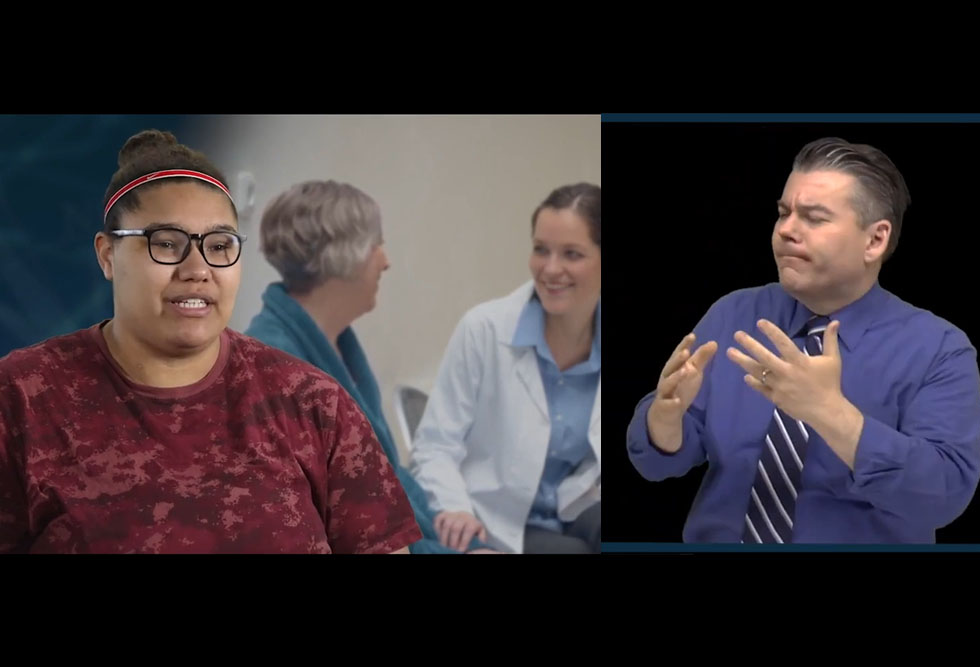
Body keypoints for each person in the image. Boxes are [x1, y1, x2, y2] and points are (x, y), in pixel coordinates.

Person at [0, 130, 422, 554]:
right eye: (166, 243)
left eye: (220, 246)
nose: (198, 268)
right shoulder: (21, 397)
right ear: (107, 255)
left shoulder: (314, 404)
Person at [626, 137, 980, 544]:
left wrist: (829, 413)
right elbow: (658, 465)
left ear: (875, 240)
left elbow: (945, 494)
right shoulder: (735, 315)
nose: (786, 230)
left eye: (813, 218)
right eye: (783, 213)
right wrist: (665, 419)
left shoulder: (939, 349)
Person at [245, 179, 495, 553]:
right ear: (345, 256)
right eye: (377, 244)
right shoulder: (275, 371)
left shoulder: (335, 340)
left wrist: (449, 525)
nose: (386, 260)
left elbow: (388, 476)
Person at [409, 183, 601, 554]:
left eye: (572, 254)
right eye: (540, 250)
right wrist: (456, 511)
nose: (550, 269)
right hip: (496, 518)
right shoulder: (484, 329)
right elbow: (434, 447)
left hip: (576, 507)